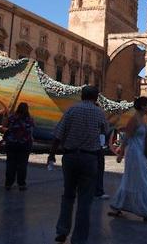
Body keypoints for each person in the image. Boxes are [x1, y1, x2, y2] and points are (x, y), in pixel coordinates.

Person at [48, 86, 107, 244]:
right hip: (90, 158)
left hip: (70, 156)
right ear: (96, 98)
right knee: (85, 200)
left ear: (81, 96)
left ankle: (62, 231)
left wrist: (52, 154)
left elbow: (58, 134)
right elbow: (105, 131)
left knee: (67, 195)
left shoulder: (71, 110)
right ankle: (79, 239)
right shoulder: (99, 113)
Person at [109, 96, 147, 222]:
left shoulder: (142, 118)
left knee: (130, 179)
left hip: (139, 151)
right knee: (144, 181)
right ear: (143, 106)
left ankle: (117, 205)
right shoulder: (134, 119)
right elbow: (127, 136)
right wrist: (121, 153)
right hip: (134, 153)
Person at [3, 102, 34, 191]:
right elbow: (31, 131)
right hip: (24, 144)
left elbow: (5, 126)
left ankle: (8, 184)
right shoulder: (29, 119)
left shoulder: (12, 118)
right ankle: (21, 184)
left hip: (12, 143)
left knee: (10, 164)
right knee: (22, 165)